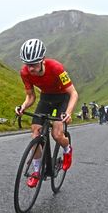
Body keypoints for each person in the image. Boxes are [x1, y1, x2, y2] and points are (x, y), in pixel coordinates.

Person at [15, 39, 78, 187]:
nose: (30, 68)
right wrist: (23, 107)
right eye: (27, 64)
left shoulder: (56, 68)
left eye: (34, 64)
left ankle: (67, 150)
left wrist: (68, 113)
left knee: (56, 134)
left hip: (63, 97)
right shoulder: (24, 73)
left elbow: (74, 93)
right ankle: (37, 171)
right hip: (46, 98)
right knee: (35, 133)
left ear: (42, 59)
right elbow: (31, 96)